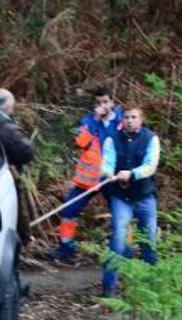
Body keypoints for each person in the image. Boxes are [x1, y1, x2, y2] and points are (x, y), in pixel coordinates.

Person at [48, 87, 123, 260]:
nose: (102, 105)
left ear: (112, 101)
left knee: (121, 214)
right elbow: (80, 143)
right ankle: (66, 248)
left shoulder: (121, 121)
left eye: (105, 102)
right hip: (89, 179)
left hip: (113, 178)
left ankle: (123, 251)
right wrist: (95, 121)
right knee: (68, 210)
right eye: (98, 103)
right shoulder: (87, 122)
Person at [100, 106, 160, 297]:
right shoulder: (112, 139)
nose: (129, 120)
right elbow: (106, 162)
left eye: (133, 117)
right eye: (126, 117)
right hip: (121, 198)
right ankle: (109, 287)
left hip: (145, 197)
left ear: (141, 119)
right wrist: (109, 173)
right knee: (118, 239)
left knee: (148, 241)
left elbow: (150, 166)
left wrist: (132, 174)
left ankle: (150, 286)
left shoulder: (151, 138)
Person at [0, 88, 36, 245]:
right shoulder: (6, 128)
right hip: (3, 173)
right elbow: (26, 152)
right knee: (15, 207)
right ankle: (23, 240)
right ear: (7, 105)